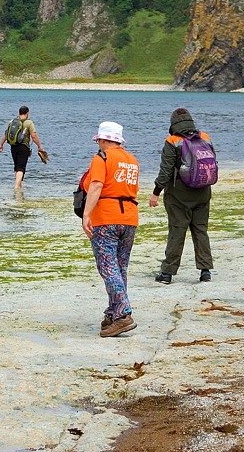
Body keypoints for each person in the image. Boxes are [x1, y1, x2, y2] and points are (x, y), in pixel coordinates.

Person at [80, 121, 140, 338]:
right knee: (120, 267)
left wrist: (86, 215)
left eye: (99, 141)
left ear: (104, 140)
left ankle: (123, 314)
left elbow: (95, 186)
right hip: (130, 218)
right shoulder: (132, 160)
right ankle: (114, 312)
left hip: (106, 218)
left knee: (108, 267)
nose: (99, 144)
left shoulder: (102, 158)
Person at [148, 108, 215, 284]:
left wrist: (155, 193)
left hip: (179, 196)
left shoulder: (172, 141)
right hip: (203, 192)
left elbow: (165, 172)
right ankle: (205, 271)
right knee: (200, 230)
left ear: (173, 124)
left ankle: (167, 273)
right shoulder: (204, 137)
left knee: (177, 232)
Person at [0, 105, 47, 191]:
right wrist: (39, 146)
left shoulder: (12, 121)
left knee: (16, 167)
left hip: (13, 147)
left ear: (19, 113)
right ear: (27, 113)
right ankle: (16, 187)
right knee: (21, 168)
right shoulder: (29, 123)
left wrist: (1, 145)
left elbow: (5, 134)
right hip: (23, 147)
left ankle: (19, 187)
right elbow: (33, 136)